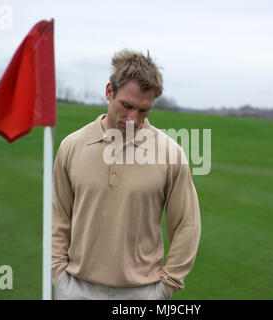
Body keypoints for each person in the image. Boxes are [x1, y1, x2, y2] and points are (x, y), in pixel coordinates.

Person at [52, 49, 201, 300]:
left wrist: (166, 288)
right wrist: (58, 275)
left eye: (143, 111)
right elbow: (57, 216)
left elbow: (187, 224)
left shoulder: (170, 153)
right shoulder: (72, 145)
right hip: (77, 290)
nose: (133, 119)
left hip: (143, 294)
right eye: (127, 106)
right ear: (110, 91)